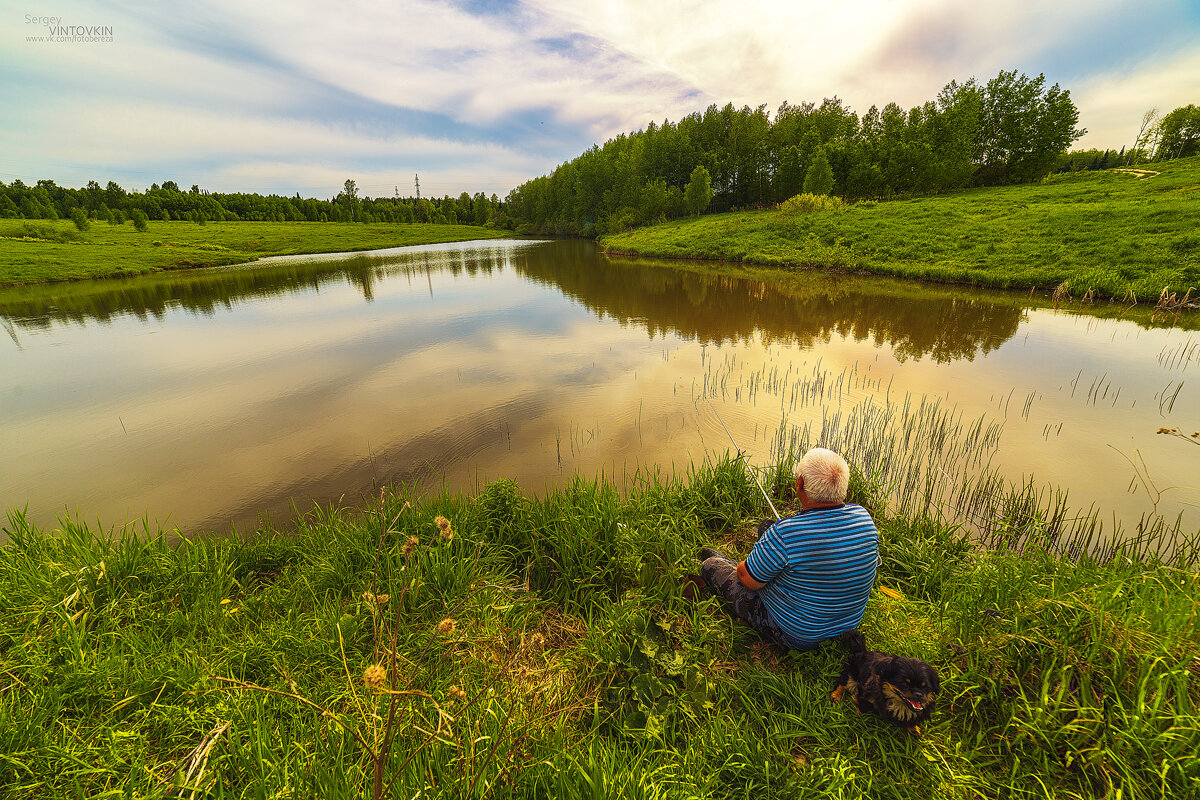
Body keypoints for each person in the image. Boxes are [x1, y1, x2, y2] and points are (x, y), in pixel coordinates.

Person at [698, 447, 878, 651]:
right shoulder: (864, 518)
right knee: (767, 525)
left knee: (710, 564)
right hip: (846, 626)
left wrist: (742, 566)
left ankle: (724, 561)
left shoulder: (785, 533)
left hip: (797, 635)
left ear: (799, 483)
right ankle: (764, 565)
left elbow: (747, 579)